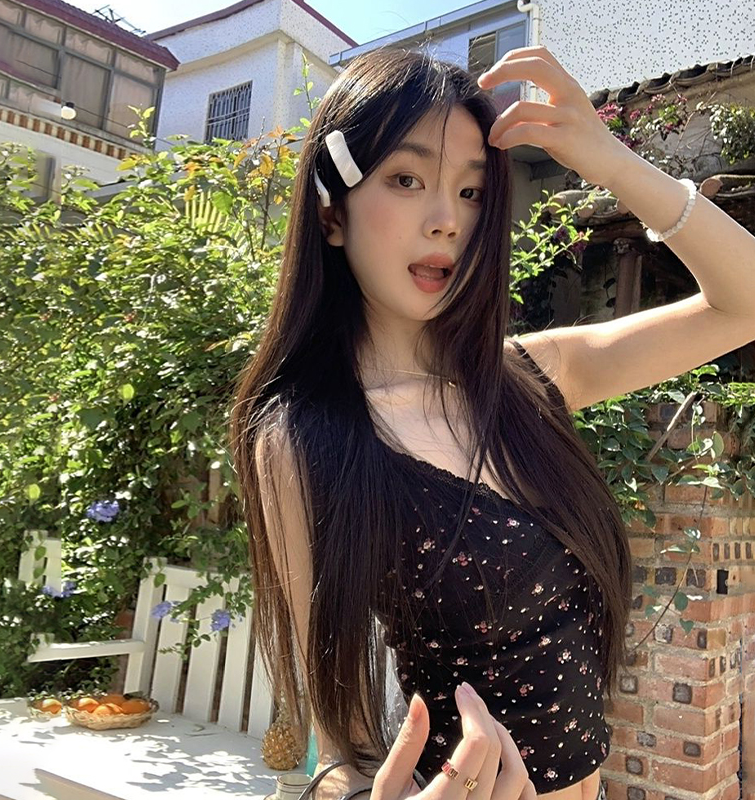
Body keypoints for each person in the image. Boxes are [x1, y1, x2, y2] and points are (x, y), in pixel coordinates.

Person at [230, 44, 755, 800]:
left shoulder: (529, 379)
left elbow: (743, 302)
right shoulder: (303, 437)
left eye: (472, 191)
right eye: (406, 180)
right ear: (331, 213)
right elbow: (339, 744)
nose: (447, 221)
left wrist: (610, 160)